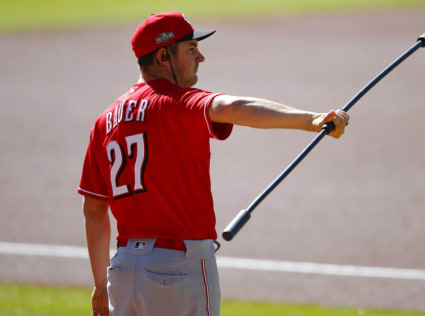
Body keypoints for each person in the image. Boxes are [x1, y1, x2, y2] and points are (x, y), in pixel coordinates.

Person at [78, 11, 349, 316]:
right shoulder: (176, 102)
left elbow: (93, 211)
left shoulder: (104, 122)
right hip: (178, 269)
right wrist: (310, 120)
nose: (201, 57)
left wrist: (101, 285)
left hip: (124, 271)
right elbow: (237, 108)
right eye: (191, 49)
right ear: (164, 55)